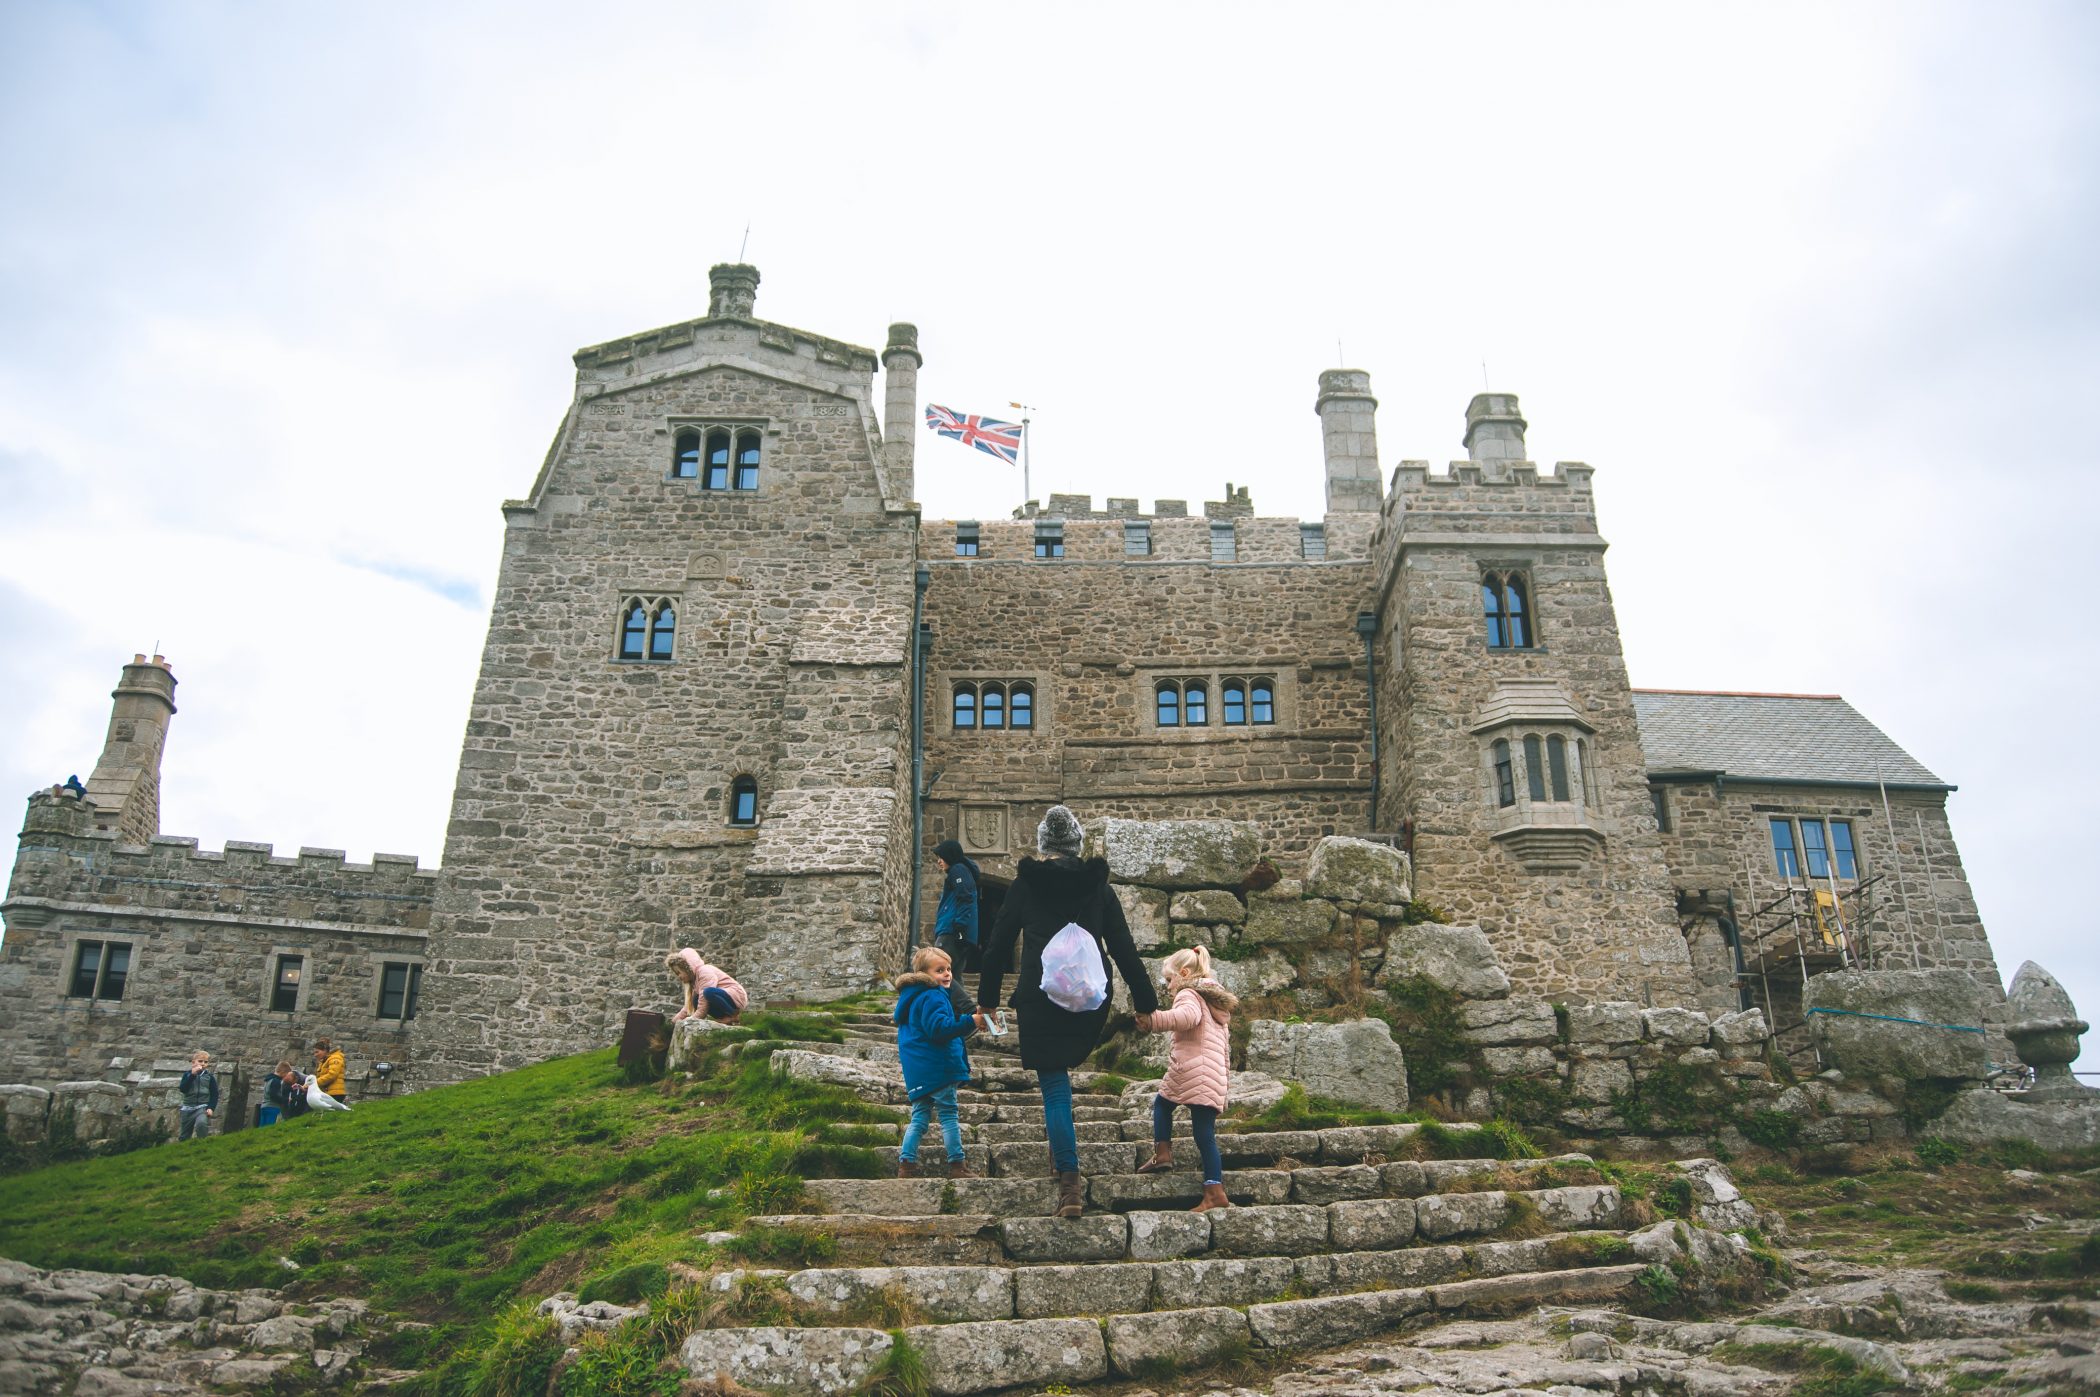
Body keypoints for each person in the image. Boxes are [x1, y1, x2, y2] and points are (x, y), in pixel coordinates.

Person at [979, 804, 1158, 1219]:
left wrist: (987, 999)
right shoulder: (1099, 888)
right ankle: (1062, 1162)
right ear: (1077, 845)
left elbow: (998, 945)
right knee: (1062, 1074)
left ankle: (1070, 1182)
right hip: (1089, 997)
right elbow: (1124, 949)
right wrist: (1146, 1005)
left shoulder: (1026, 885)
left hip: (1040, 996)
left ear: (1044, 845)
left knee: (1055, 1085)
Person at [1134, 945, 1238, 1212]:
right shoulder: (1213, 1000)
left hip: (1192, 1069)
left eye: (1169, 980)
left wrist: (1154, 1020)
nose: (1168, 987)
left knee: (1162, 1104)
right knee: (1204, 1134)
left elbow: (1187, 1018)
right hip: (1211, 1073)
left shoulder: (1188, 993)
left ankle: (1163, 1154)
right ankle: (1214, 1189)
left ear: (1183, 974)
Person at [893, 945, 986, 1180]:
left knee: (919, 1117)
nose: (947, 974)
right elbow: (939, 1030)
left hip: (920, 1071)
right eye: (939, 970)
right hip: (939, 1067)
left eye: (949, 969)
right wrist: (970, 1021)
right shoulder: (933, 995)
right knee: (948, 1116)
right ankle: (957, 1165)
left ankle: (906, 1165)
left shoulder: (912, 997)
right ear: (924, 975)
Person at [666, 948, 748, 1024]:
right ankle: (725, 1017)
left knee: (708, 992)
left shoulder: (704, 971)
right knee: (695, 1000)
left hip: (735, 996)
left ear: (686, 968)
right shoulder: (694, 981)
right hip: (723, 996)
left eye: (678, 973)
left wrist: (693, 1019)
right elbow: (689, 1006)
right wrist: (674, 1021)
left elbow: (703, 1001)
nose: (678, 977)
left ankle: (733, 1015)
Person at [176, 1050, 218, 1141]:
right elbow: (183, 1089)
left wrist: (211, 1108)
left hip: (202, 1107)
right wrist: (192, 1075)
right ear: (193, 1062)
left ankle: (202, 1144)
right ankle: (184, 1147)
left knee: (201, 1124)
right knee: (185, 1135)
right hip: (188, 1107)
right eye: (200, 1061)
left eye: (205, 1062)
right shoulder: (187, 1075)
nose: (203, 1064)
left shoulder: (209, 1077)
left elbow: (214, 1094)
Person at [262, 1059, 307, 1124]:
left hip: (264, 1106)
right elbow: (274, 1096)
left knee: (263, 1125)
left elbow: (273, 1091)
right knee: (270, 1124)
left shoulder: (269, 1080)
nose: (285, 1077)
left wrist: (291, 1089)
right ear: (283, 1072)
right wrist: (286, 1100)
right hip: (272, 1107)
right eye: (286, 1075)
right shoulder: (276, 1081)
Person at [311, 1038, 347, 1105]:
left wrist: (315, 1083)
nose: (315, 1055)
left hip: (335, 1094)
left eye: (317, 1052)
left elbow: (332, 1075)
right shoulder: (325, 1060)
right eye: (314, 1053)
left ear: (325, 1050)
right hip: (328, 1093)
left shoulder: (335, 1058)